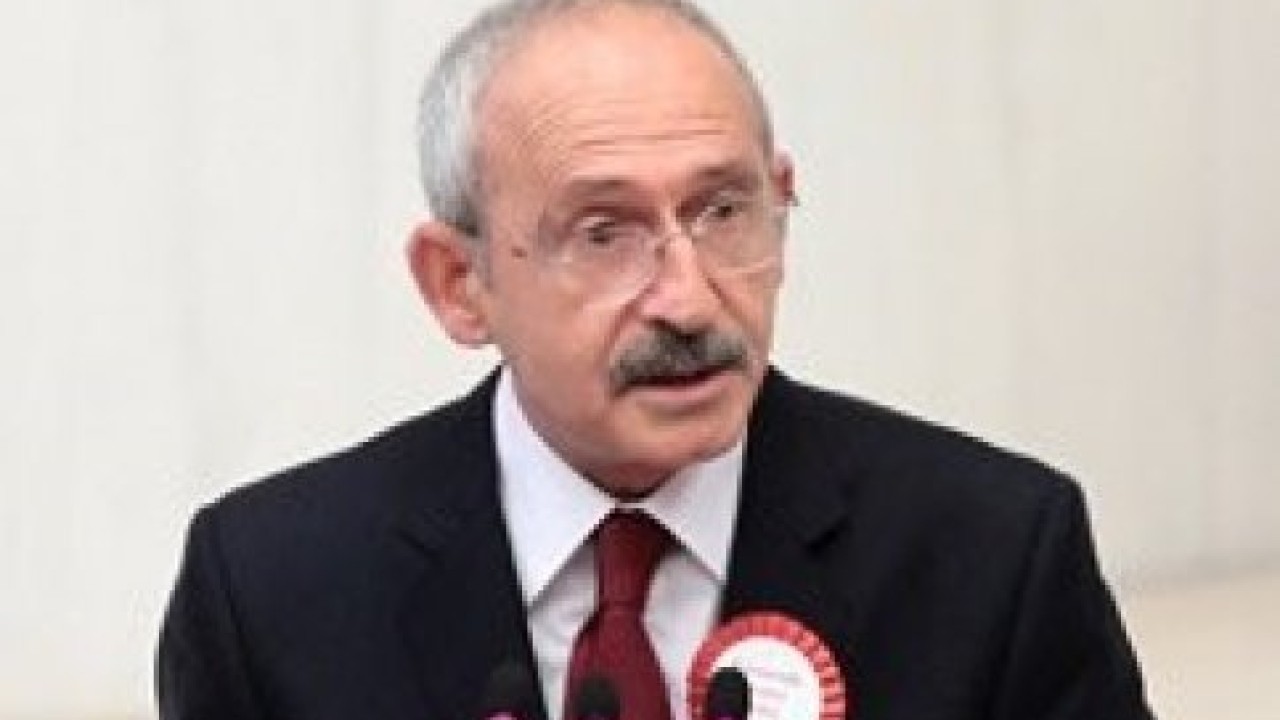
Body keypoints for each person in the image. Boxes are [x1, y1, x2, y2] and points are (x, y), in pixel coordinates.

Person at [156, 1, 1154, 719]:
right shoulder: (272, 592)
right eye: (604, 233)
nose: (688, 299)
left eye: (723, 211)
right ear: (458, 284)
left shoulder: (993, 556)